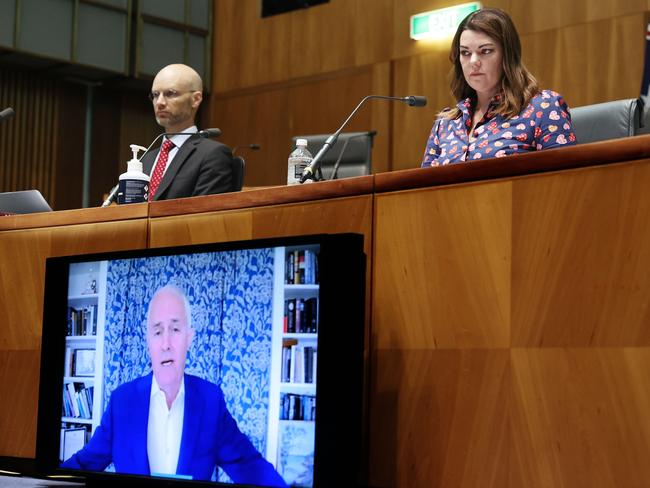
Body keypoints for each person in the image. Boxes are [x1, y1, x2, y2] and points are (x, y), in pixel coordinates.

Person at [62, 285, 287, 487]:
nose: (166, 344)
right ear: (148, 341)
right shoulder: (122, 401)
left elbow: (250, 467)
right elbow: (84, 464)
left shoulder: (211, 401)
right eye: (158, 332)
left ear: (189, 338)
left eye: (176, 329)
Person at [421, 8, 577, 166]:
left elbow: (564, 181)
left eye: (485, 51)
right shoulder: (445, 124)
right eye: (465, 53)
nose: (473, 61)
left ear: (507, 56)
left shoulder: (543, 107)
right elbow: (423, 188)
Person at [142, 63, 234, 200]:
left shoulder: (212, 155)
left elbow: (202, 215)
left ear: (195, 99)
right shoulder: (146, 159)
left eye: (170, 93)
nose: (159, 102)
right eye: (155, 95)